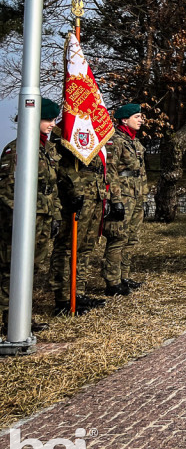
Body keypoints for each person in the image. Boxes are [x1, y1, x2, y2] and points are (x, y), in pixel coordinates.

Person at [1, 97, 63, 334]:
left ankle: (21, 316)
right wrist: (21, 220)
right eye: (48, 118)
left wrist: (55, 215)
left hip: (42, 219)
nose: (51, 124)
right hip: (20, 223)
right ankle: (10, 321)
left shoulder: (46, 149)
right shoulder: (16, 149)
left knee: (32, 269)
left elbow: (51, 187)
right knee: (12, 269)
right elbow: (7, 189)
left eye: (53, 119)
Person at [50, 142, 108, 315]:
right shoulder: (69, 130)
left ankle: (78, 293)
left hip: (94, 196)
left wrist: (106, 195)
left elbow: (100, 169)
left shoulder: (96, 135)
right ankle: (63, 299)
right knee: (67, 247)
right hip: (75, 198)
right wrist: (74, 190)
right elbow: (62, 167)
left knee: (85, 248)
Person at [103, 103, 147, 296]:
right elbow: (110, 172)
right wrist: (115, 199)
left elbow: (141, 172)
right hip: (123, 195)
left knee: (132, 237)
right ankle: (112, 282)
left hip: (136, 196)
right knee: (118, 237)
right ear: (124, 119)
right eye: (136, 116)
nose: (140, 120)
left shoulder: (136, 143)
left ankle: (124, 276)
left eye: (140, 116)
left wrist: (143, 195)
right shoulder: (115, 141)